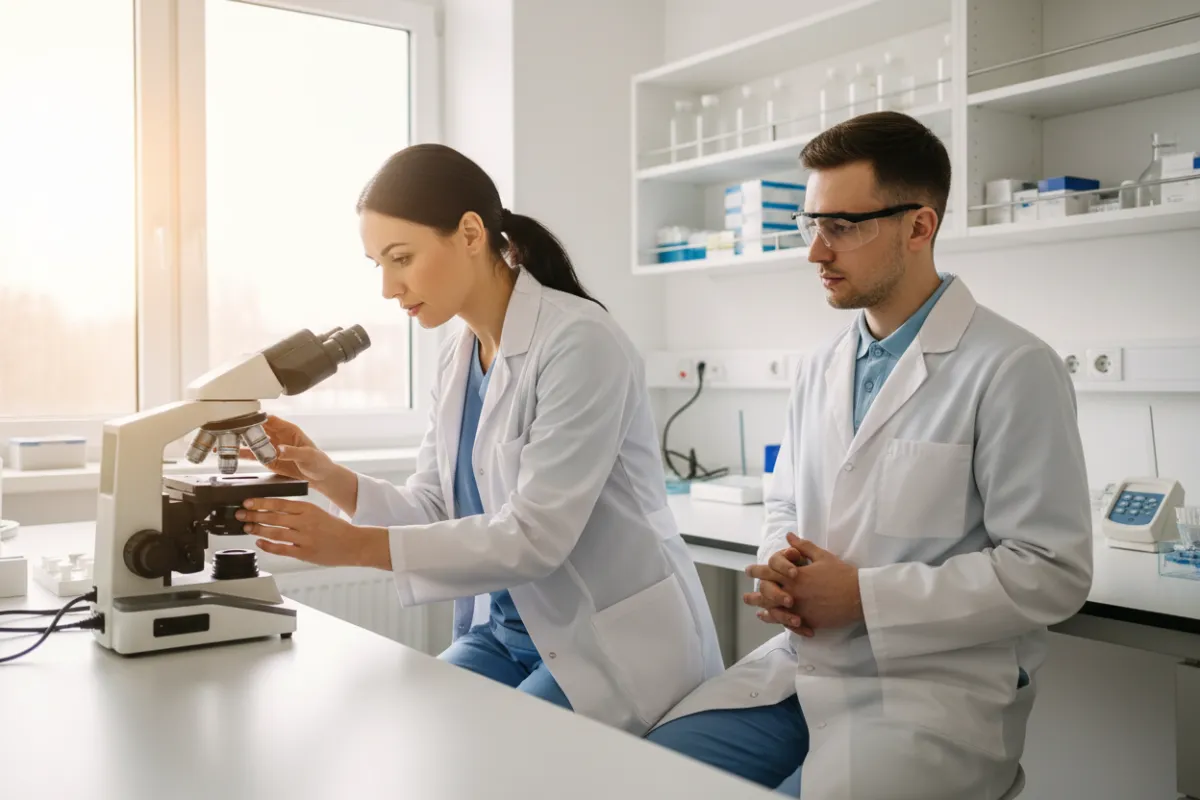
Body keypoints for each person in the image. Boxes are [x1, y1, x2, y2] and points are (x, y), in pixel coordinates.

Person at [645, 112, 1093, 799]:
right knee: (647, 775)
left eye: (842, 226)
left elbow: (1051, 572)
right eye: (810, 224)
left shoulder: (1012, 366)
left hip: (930, 688)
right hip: (802, 666)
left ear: (919, 227)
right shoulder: (820, 365)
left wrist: (863, 596)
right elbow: (786, 504)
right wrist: (782, 565)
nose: (815, 252)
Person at [235, 143, 722, 734]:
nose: (388, 287)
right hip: (507, 633)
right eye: (377, 265)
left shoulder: (580, 342)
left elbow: (535, 538)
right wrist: (326, 474)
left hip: (605, 643)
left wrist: (352, 545)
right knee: (418, 733)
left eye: (401, 258)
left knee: (487, 753)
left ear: (470, 233)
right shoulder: (457, 356)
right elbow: (435, 507)